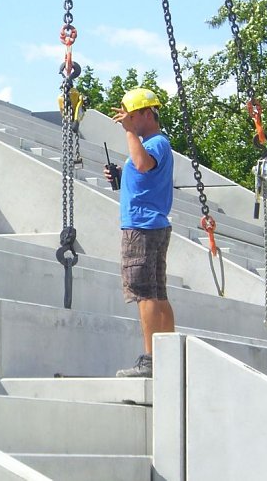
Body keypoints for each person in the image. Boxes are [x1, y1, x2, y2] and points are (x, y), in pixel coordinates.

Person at [104, 87, 175, 378]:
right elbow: (144, 173)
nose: (128, 122)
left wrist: (129, 132)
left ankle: (150, 361)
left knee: (145, 294)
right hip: (151, 223)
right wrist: (122, 176)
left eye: (133, 117)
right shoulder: (154, 144)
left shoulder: (155, 142)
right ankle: (167, 356)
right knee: (156, 293)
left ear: (148, 114)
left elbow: (144, 164)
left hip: (142, 227)